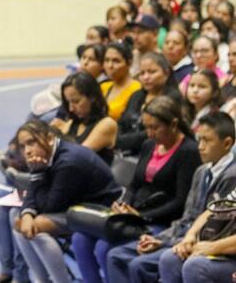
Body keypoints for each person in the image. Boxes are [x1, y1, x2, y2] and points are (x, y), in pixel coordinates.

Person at [71, 97, 201, 283]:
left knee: (103, 248)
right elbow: (134, 185)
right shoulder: (149, 145)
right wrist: (125, 204)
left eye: (155, 127)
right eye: (146, 127)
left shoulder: (188, 151)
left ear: (173, 124)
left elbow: (180, 201)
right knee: (80, 239)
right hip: (135, 215)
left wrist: (142, 215)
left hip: (161, 221)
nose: (149, 133)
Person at [106, 112, 236, 283]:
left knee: (158, 263)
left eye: (207, 140)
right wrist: (165, 239)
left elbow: (218, 232)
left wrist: (179, 242)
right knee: (114, 254)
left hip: (220, 247)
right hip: (190, 237)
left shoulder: (231, 176)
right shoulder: (202, 171)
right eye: (199, 139)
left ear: (227, 143)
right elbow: (200, 215)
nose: (200, 146)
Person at [11, 120, 121, 283]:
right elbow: (38, 197)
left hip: (101, 212)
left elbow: (49, 207)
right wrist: (27, 213)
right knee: (18, 218)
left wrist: (37, 174)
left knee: (38, 225)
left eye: (31, 142)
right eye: (23, 146)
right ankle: (42, 280)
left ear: (49, 138)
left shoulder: (69, 162)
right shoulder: (46, 155)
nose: (27, 151)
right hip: (77, 207)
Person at [117, 52, 182, 155]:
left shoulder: (172, 99)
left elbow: (154, 133)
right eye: (142, 73)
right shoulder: (137, 95)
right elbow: (122, 122)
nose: (146, 77)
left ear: (166, 72)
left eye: (152, 72)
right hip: (124, 152)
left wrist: (120, 141)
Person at [50, 72, 118, 164]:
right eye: (68, 102)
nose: (71, 108)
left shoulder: (107, 124)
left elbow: (78, 156)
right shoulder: (71, 123)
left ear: (92, 97)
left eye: (76, 101)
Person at [100, 42, 142, 121]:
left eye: (116, 61)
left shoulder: (137, 88)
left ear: (129, 63)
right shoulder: (103, 86)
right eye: (106, 60)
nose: (110, 66)